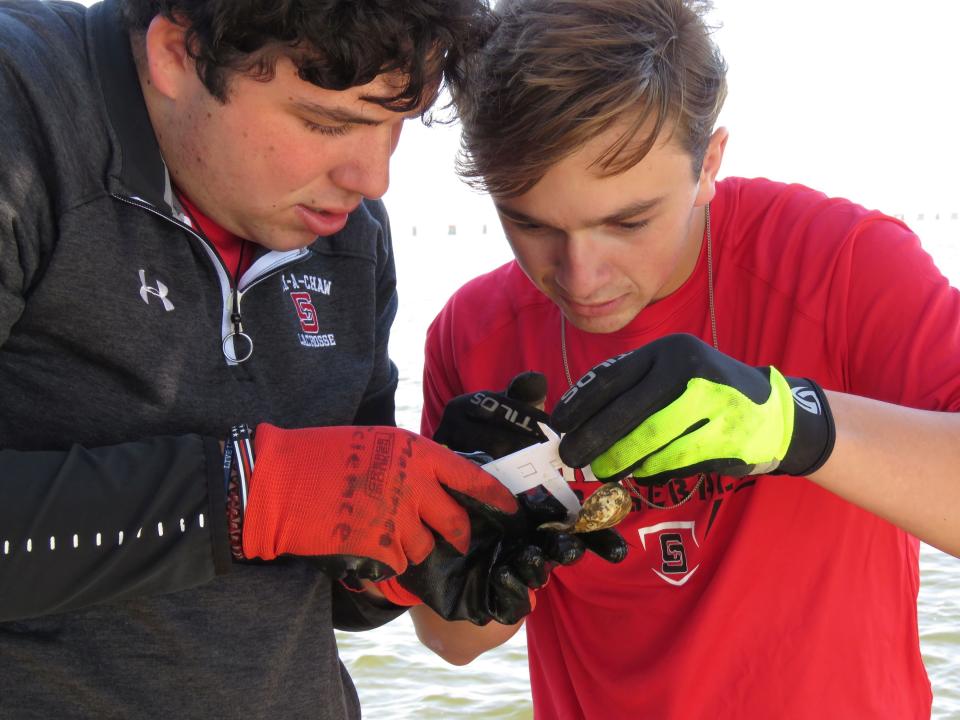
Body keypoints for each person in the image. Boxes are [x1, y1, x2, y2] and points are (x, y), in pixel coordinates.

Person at [0, 0, 627, 716]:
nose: (373, 178)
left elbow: (319, 589)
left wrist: (420, 542)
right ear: (175, 53)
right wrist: (251, 493)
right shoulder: (23, 109)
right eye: (330, 123)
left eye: (398, 123)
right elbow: (271, 505)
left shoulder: (351, 237)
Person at [412, 0, 960, 717]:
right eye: (531, 223)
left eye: (628, 221)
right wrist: (482, 545)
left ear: (710, 163)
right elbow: (451, 642)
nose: (581, 276)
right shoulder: (472, 334)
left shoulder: (842, 263)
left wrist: (798, 427)